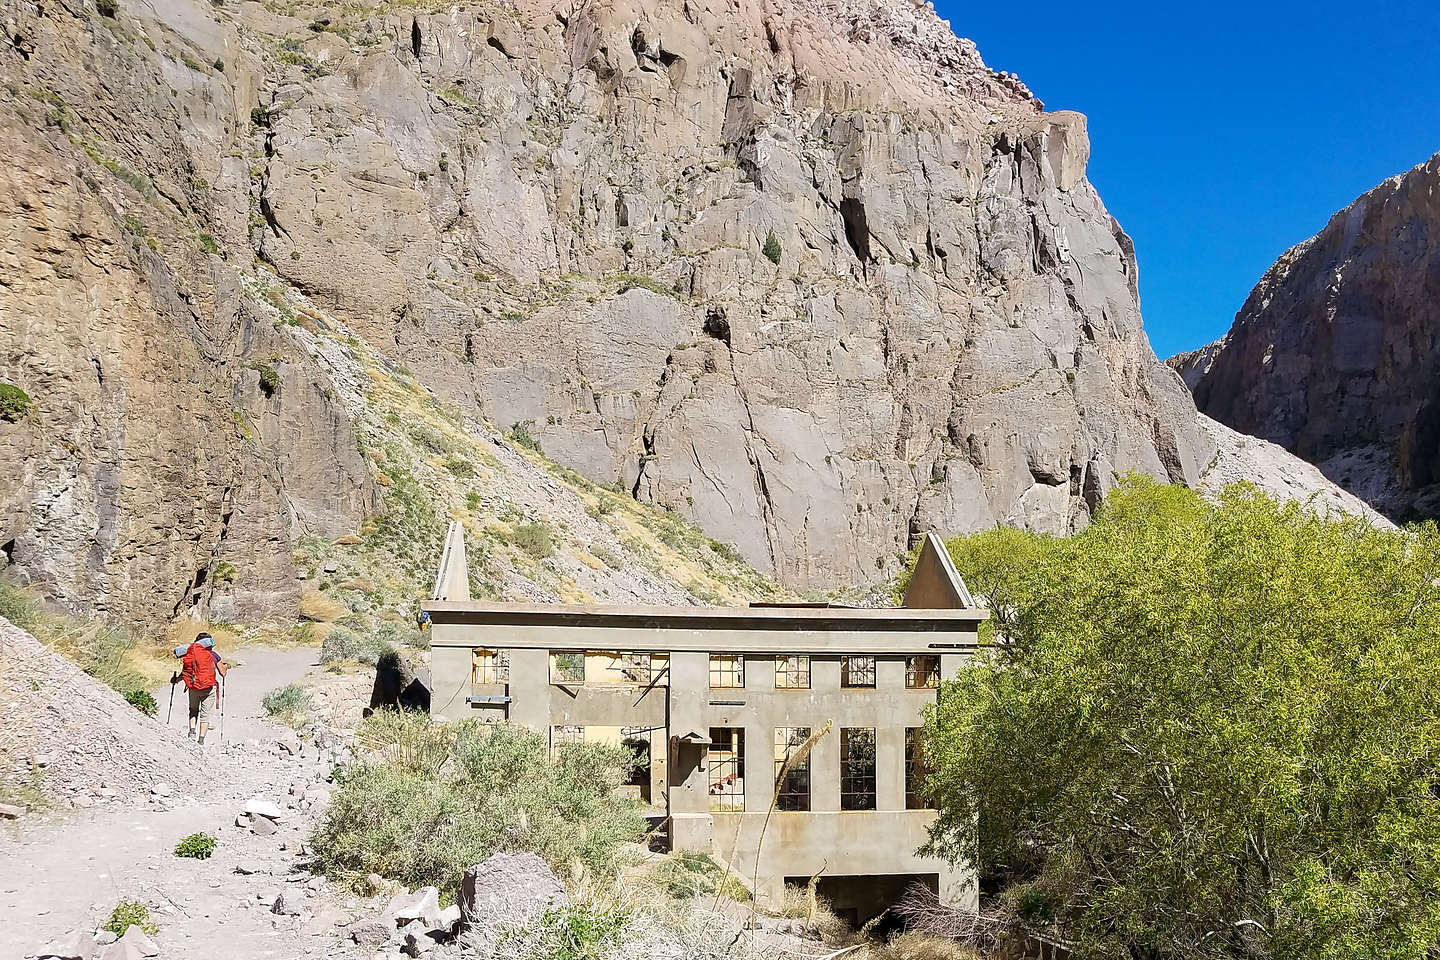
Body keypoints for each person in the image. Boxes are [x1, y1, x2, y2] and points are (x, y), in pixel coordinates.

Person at [171, 632, 226, 744]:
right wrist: (226, 667)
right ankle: (201, 740)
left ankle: (192, 731)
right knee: (205, 715)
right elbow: (223, 673)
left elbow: (186, 672)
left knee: (193, 710)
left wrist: (176, 680)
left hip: (193, 687)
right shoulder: (213, 655)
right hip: (208, 688)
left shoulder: (191, 654)